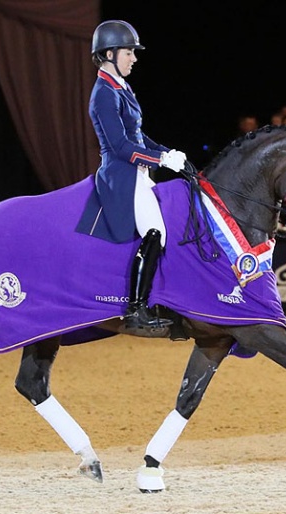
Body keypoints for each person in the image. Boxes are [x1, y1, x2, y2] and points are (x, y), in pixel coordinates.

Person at [87, 20, 187, 330]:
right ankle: (137, 308)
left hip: (138, 173)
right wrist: (161, 159)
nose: (134, 58)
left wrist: (170, 153)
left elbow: (138, 137)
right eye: (129, 52)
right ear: (109, 54)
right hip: (122, 175)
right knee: (155, 232)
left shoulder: (121, 88)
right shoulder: (104, 92)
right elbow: (120, 146)